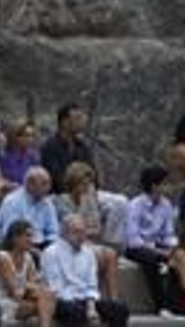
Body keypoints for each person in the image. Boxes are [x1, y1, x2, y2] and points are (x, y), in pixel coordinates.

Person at [43, 214, 128, 327]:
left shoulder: (88, 253)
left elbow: (91, 285)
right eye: (76, 232)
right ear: (64, 233)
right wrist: (85, 308)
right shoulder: (51, 253)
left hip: (85, 300)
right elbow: (56, 288)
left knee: (120, 309)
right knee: (74, 311)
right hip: (61, 301)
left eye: (83, 232)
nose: (81, 236)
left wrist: (91, 308)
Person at [37, 103, 127, 240]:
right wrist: (78, 190)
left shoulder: (81, 146)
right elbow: (55, 179)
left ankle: (111, 243)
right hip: (62, 195)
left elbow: (92, 173)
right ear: (64, 122)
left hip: (86, 191)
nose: (81, 122)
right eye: (77, 118)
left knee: (120, 202)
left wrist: (90, 189)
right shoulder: (50, 147)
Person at [124, 166, 180, 313]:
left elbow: (168, 234)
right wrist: (160, 252)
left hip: (158, 245)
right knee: (154, 261)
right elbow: (133, 240)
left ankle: (178, 303)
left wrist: (173, 248)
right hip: (138, 247)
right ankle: (161, 305)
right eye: (165, 184)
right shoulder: (135, 205)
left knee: (180, 258)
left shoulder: (166, 204)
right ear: (155, 186)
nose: (168, 187)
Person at [0, 165, 60, 247]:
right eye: (44, 184)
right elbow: (12, 234)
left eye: (48, 184)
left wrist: (49, 246)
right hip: (13, 246)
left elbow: (54, 231)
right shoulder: (12, 201)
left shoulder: (47, 203)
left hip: (41, 244)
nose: (48, 188)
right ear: (30, 184)